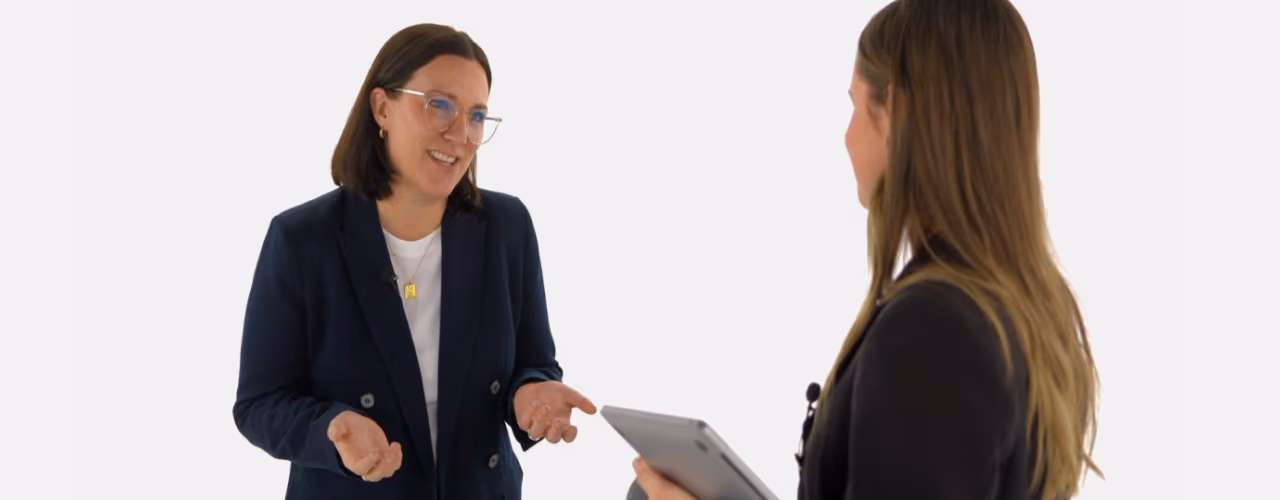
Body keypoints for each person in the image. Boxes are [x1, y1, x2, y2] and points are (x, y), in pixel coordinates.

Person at [630, 0, 1103, 499]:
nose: (846, 134)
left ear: (897, 110)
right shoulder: (1024, 311)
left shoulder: (933, 331)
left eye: (855, 103)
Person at [232, 23, 595, 500]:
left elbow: (533, 363)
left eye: (477, 115)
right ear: (383, 107)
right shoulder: (303, 239)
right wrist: (330, 427)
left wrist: (532, 394)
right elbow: (259, 403)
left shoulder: (508, 227)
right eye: (438, 104)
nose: (460, 133)